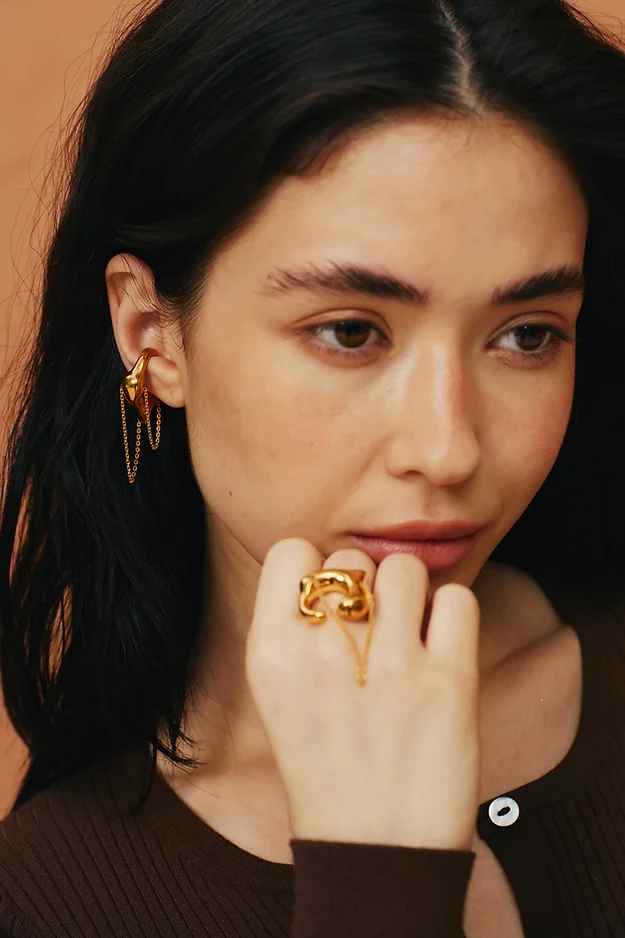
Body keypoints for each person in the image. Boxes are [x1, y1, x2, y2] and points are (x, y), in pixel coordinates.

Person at [1, 0, 625, 934]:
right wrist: (381, 880)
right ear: (149, 332)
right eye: (349, 332)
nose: (446, 447)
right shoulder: (49, 895)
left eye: (526, 335)